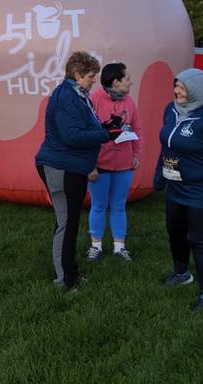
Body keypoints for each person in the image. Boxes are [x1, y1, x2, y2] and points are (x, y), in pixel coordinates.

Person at [153, 68, 203, 311]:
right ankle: (181, 274)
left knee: (198, 240)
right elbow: (167, 146)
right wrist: (159, 175)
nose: (176, 90)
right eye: (176, 85)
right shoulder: (171, 110)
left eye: (182, 87)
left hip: (202, 191)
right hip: (175, 188)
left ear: (196, 90)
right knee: (175, 233)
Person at [35, 51, 111, 290]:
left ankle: (70, 273)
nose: (94, 80)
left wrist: (108, 127)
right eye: (91, 76)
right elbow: (72, 136)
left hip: (70, 166)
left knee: (69, 223)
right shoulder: (66, 97)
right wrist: (105, 134)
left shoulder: (77, 96)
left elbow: (82, 128)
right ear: (77, 74)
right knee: (66, 223)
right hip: (61, 167)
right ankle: (65, 280)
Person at [86, 62, 143, 262]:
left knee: (119, 206)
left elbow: (137, 128)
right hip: (99, 166)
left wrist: (137, 154)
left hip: (124, 165)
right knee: (98, 206)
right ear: (116, 82)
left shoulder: (129, 101)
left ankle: (119, 247)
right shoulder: (93, 99)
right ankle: (96, 246)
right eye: (127, 79)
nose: (131, 82)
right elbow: (86, 133)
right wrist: (90, 164)